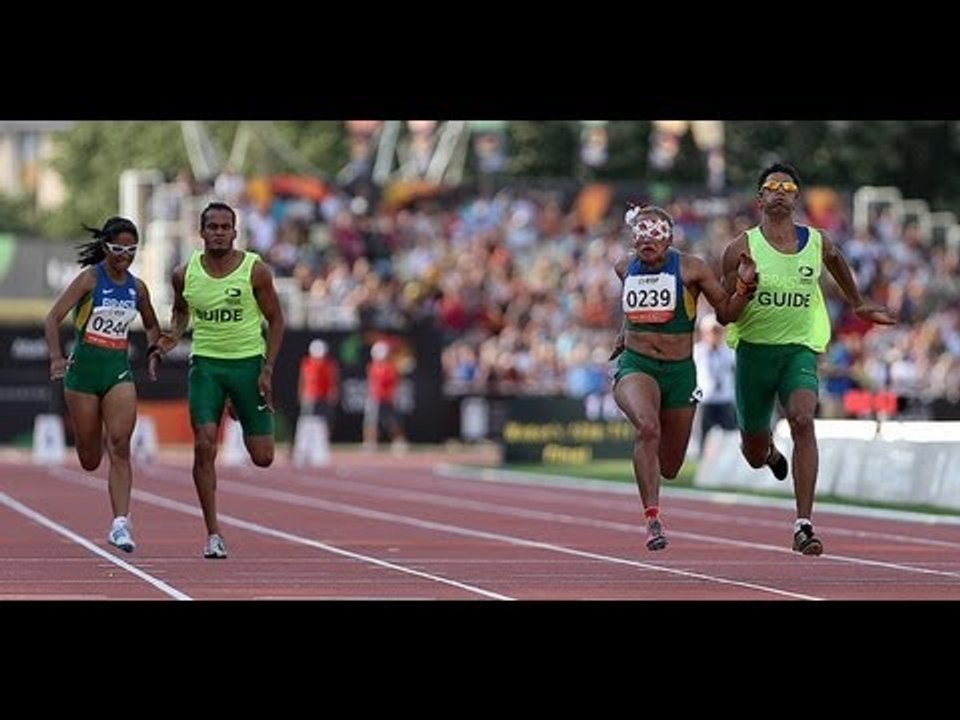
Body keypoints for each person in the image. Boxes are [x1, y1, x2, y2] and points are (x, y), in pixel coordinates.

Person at [720, 162, 897, 556]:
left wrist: (858, 303)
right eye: (772, 186)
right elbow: (723, 314)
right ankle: (768, 453)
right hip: (753, 353)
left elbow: (835, 261)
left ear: (797, 197)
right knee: (752, 452)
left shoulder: (817, 242)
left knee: (802, 420)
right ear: (760, 197)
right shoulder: (740, 248)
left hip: (799, 348)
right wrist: (744, 288)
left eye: (788, 186)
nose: (780, 191)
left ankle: (803, 524)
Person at [611, 204, 757, 551]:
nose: (647, 247)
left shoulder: (692, 268)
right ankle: (652, 519)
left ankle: (654, 476)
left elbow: (726, 315)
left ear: (669, 240)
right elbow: (633, 312)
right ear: (634, 241)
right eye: (641, 240)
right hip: (636, 366)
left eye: (654, 240)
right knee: (647, 427)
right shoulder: (623, 267)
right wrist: (624, 335)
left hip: (679, 372)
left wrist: (745, 288)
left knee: (672, 465)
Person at [150, 202, 285, 559]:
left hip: (247, 365)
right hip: (206, 365)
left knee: (263, 457)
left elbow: (277, 321)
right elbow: (180, 313)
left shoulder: (256, 271)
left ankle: (236, 403)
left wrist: (267, 369)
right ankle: (213, 532)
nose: (219, 232)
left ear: (235, 232)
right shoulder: (184, 273)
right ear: (202, 231)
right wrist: (168, 340)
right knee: (205, 443)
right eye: (213, 226)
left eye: (226, 227)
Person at [44, 216, 162, 554]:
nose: (125, 255)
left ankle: (120, 524)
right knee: (90, 458)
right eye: (118, 248)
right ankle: (89, 448)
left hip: (117, 373)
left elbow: (152, 325)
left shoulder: (137, 288)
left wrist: (155, 349)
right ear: (106, 248)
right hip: (82, 376)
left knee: (120, 445)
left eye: (131, 249)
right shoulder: (89, 279)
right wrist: (55, 358)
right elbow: (52, 318)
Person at [692, 314, 737, 454]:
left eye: (717, 331)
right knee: (704, 432)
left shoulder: (729, 352)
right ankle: (702, 459)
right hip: (705, 398)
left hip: (725, 397)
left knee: (730, 433)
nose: (715, 335)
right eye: (712, 331)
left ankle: (729, 457)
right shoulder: (697, 351)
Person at [363, 340, 407, 453]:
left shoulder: (390, 367)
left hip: (387, 399)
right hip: (374, 399)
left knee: (392, 422)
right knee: (371, 422)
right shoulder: (372, 366)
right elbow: (372, 384)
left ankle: (399, 442)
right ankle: (371, 443)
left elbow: (393, 383)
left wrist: (391, 396)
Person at [298, 339, 339, 424]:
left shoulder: (330, 365)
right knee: (307, 419)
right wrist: (301, 394)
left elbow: (333, 380)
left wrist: (333, 392)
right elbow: (302, 380)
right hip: (310, 397)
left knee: (326, 420)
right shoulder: (306, 363)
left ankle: (325, 437)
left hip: (324, 397)